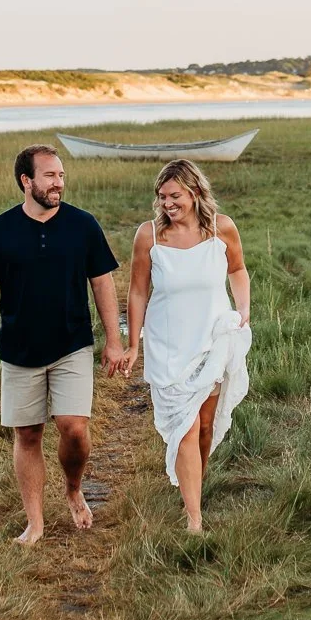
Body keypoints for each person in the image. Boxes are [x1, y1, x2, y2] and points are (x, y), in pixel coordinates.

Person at [0, 145, 126, 545]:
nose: (59, 183)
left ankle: (73, 488)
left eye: (61, 175)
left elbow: (102, 283)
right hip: (19, 351)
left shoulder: (83, 225)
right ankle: (35, 523)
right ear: (27, 181)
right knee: (28, 435)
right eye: (51, 176)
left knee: (73, 429)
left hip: (71, 344)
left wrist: (114, 340)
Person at [126, 158, 251, 534]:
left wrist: (242, 310)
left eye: (175, 195)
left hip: (211, 341)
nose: (167, 204)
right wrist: (134, 344)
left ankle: (194, 488)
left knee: (206, 425)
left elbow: (238, 270)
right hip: (167, 347)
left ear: (195, 193)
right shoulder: (149, 236)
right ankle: (194, 520)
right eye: (162, 197)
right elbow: (136, 291)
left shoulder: (222, 228)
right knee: (185, 426)